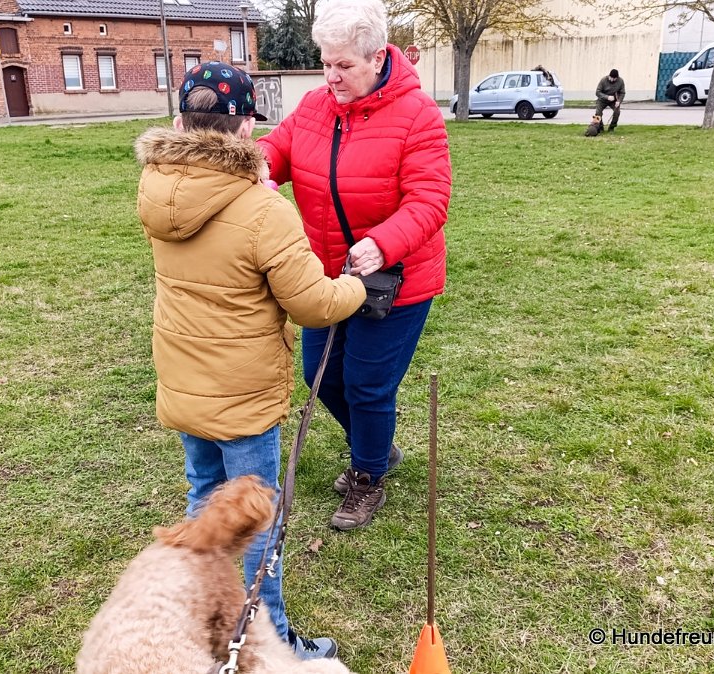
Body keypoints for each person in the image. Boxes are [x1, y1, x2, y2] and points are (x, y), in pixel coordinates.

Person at [134, 61, 366, 659]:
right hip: (242, 399)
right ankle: (268, 643)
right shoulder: (263, 210)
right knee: (258, 520)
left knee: (205, 503)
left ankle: (209, 624)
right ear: (242, 131)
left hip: (186, 385)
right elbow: (315, 305)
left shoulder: (158, 190)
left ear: (183, 123)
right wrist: (358, 287)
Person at [258, 0, 451, 531]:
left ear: (376, 57)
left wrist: (384, 244)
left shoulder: (418, 116)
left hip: (395, 279)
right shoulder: (316, 106)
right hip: (326, 275)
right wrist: (254, 169)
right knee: (322, 379)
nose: (331, 76)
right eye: (325, 63)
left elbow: (431, 199)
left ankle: (367, 476)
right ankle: (379, 447)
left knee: (367, 384)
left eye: (343, 65)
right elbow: (278, 148)